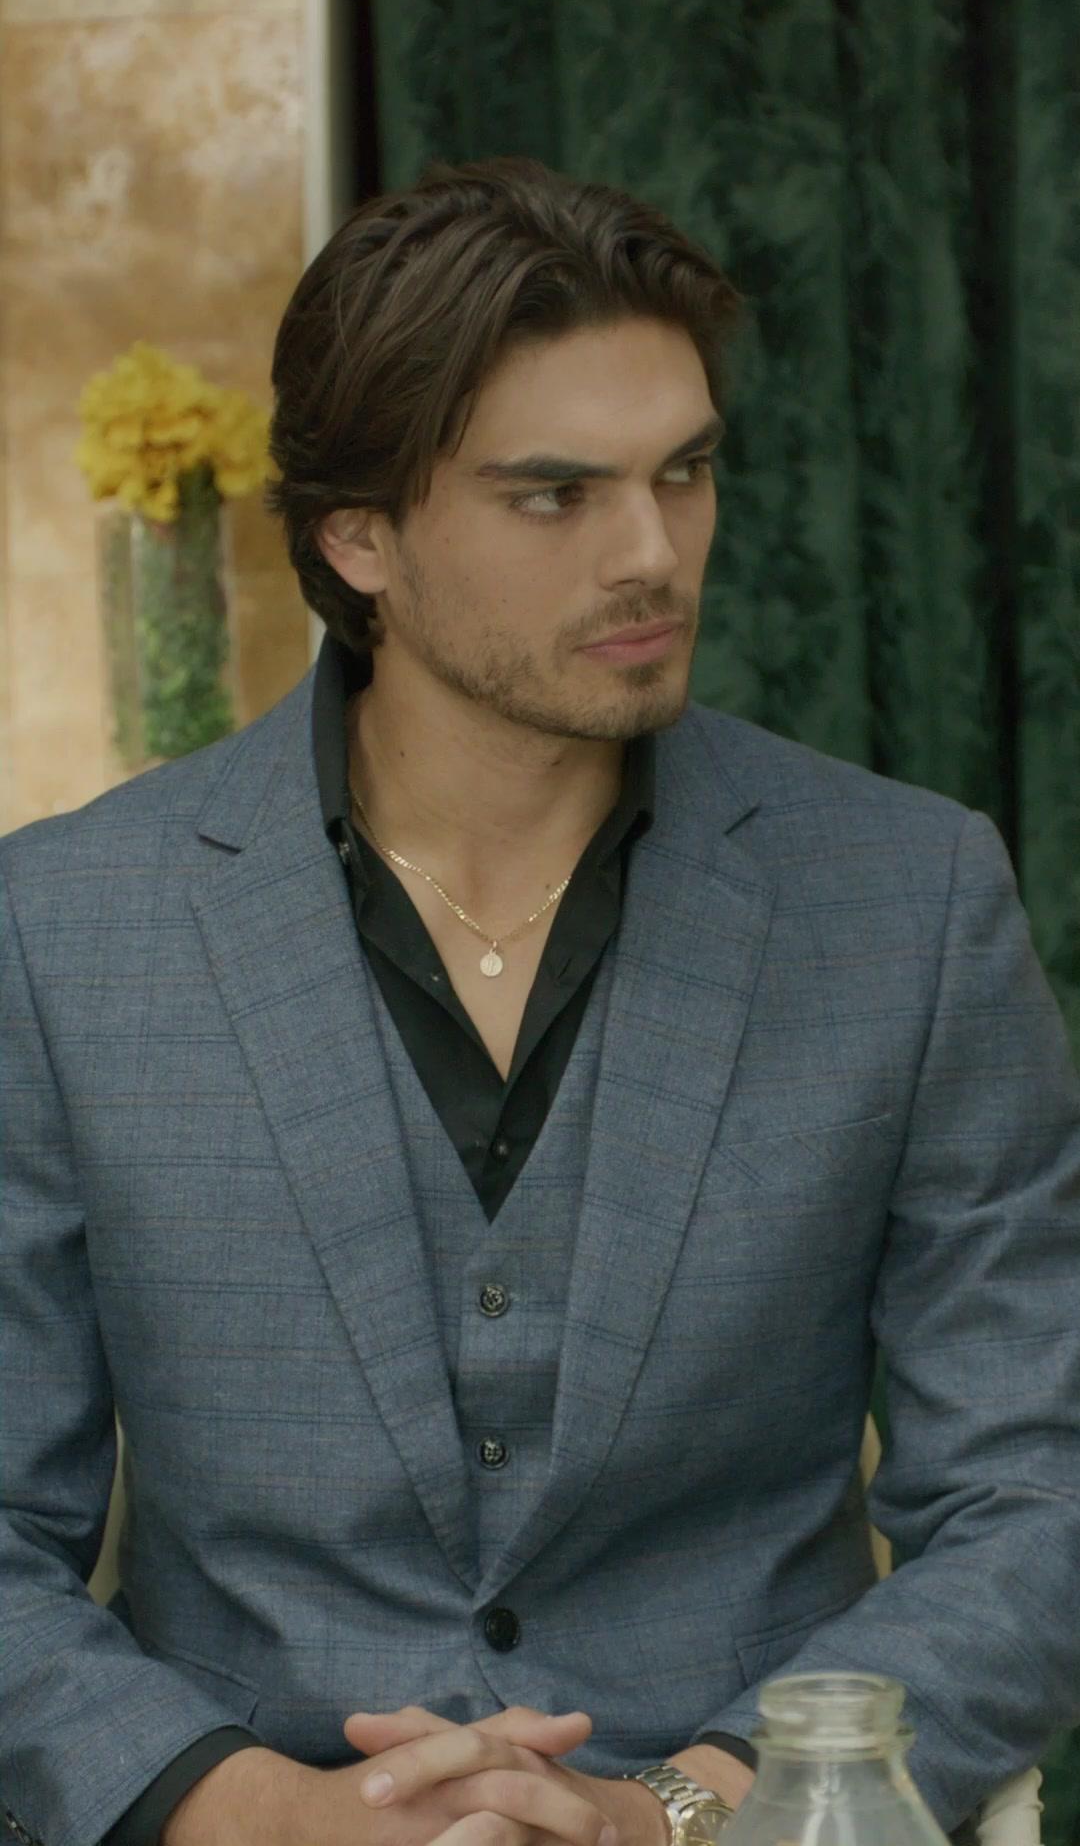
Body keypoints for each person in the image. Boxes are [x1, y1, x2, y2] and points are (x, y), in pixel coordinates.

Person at [2, 155, 1079, 1846]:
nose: (654, 554)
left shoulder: (911, 900)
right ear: (359, 534)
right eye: (555, 495)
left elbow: (1039, 1490)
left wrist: (688, 1808)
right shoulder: (64, 929)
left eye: (685, 472)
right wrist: (254, 1812)